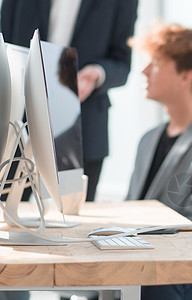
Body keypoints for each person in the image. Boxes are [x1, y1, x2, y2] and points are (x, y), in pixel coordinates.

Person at [125, 23, 192, 299]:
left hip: (172, 274)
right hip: (134, 262)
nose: (144, 71)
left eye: (156, 63)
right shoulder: (148, 139)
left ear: (186, 76)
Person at [0, 0, 138, 202]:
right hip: (17, 119)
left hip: (83, 123)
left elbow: (122, 63)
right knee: (5, 210)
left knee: (75, 220)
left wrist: (97, 74)